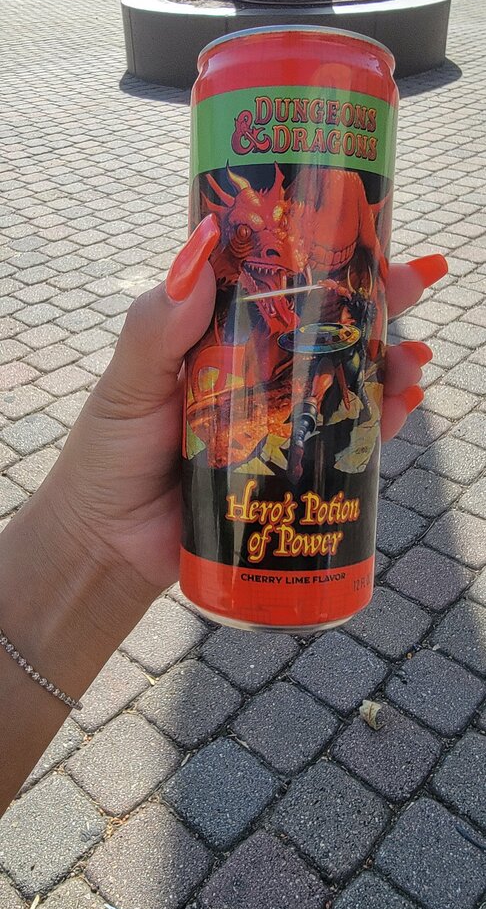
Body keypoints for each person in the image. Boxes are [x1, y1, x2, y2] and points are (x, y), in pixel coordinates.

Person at [0, 226, 447, 815]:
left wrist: (93, 547)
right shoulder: (257, 319)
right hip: (243, 426)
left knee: (347, 381)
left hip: (308, 445)